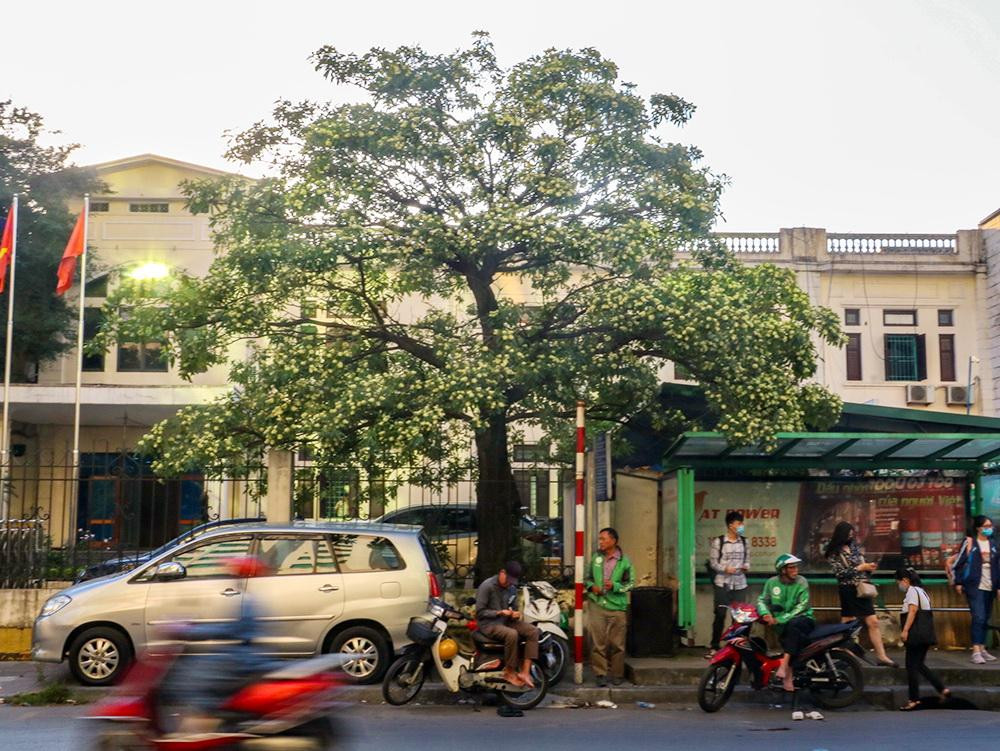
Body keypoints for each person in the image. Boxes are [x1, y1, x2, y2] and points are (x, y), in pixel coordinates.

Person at [824, 521, 896, 667]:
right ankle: (845, 654)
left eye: (852, 534)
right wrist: (859, 568)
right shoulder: (833, 552)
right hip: (848, 589)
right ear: (842, 534)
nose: (851, 536)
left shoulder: (854, 547)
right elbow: (840, 574)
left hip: (862, 588)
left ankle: (881, 656)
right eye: (848, 534)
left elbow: (862, 564)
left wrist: (868, 567)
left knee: (873, 622)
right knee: (847, 623)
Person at [475, 560, 540, 687]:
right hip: (489, 624)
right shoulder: (487, 586)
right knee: (512, 634)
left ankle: (525, 672)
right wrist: (499, 613)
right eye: (508, 579)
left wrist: (516, 614)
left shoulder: (511, 588)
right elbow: (480, 612)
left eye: (512, 581)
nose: (509, 583)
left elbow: (514, 608)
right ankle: (509, 672)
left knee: (534, 631)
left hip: (507, 621)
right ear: (502, 572)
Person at [585, 527, 636, 687]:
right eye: (599, 539)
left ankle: (617, 674)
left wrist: (615, 586)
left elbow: (631, 584)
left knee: (617, 644)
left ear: (613, 541)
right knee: (598, 643)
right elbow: (586, 578)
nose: (600, 542)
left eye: (603, 539)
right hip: (597, 604)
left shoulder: (625, 562)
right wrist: (592, 586)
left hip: (617, 607)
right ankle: (600, 674)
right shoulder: (595, 558)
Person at [757, 553, 814, 693]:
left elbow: (802, 606)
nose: (796, 570)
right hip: (783, 625)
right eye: (792, 568)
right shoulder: (771, 583)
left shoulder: (802, 582)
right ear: (783, 570)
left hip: (805, 619)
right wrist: (765, 614)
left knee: (793, 625)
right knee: (789, 633)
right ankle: (789, 674)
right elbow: (762, 600)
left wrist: (780, 619)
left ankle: (784, 666)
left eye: (796, 567)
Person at [946, 514, 999, 663]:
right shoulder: (970, 542)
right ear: (978, 528)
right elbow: (959, 563)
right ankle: (976, 650)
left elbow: (997, 566)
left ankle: (982, 648)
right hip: (974, 585)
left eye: (990, 526)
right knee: (979, 616)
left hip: (990, 585)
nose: (989, 529)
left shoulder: (993, 545)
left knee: (985, 617)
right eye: (986, 526)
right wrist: (959, 582)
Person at [896, 566, 949, 711]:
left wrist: (905, 630)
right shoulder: (922, 591)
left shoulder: (912, 591)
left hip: (916, 635)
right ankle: (942, 689)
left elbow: (913, 610)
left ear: (905, 580)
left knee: (911, 666)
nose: (898, 585)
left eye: (898, 581)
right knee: (919, 665)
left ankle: (913, 700)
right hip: (925, 634)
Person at [706, 510, 749, 659]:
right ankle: (714, 646)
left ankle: (735, 646)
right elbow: (713, 563)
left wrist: (746, 566)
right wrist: (725, 569)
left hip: (740, 583)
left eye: (742, 523)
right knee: (720, 614)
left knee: (739, 617)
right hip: (722, 583)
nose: (741, 526)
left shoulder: (744, 541)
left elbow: (747, 559)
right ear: (731, 525)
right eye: (739, 523)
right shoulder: (719, 541)